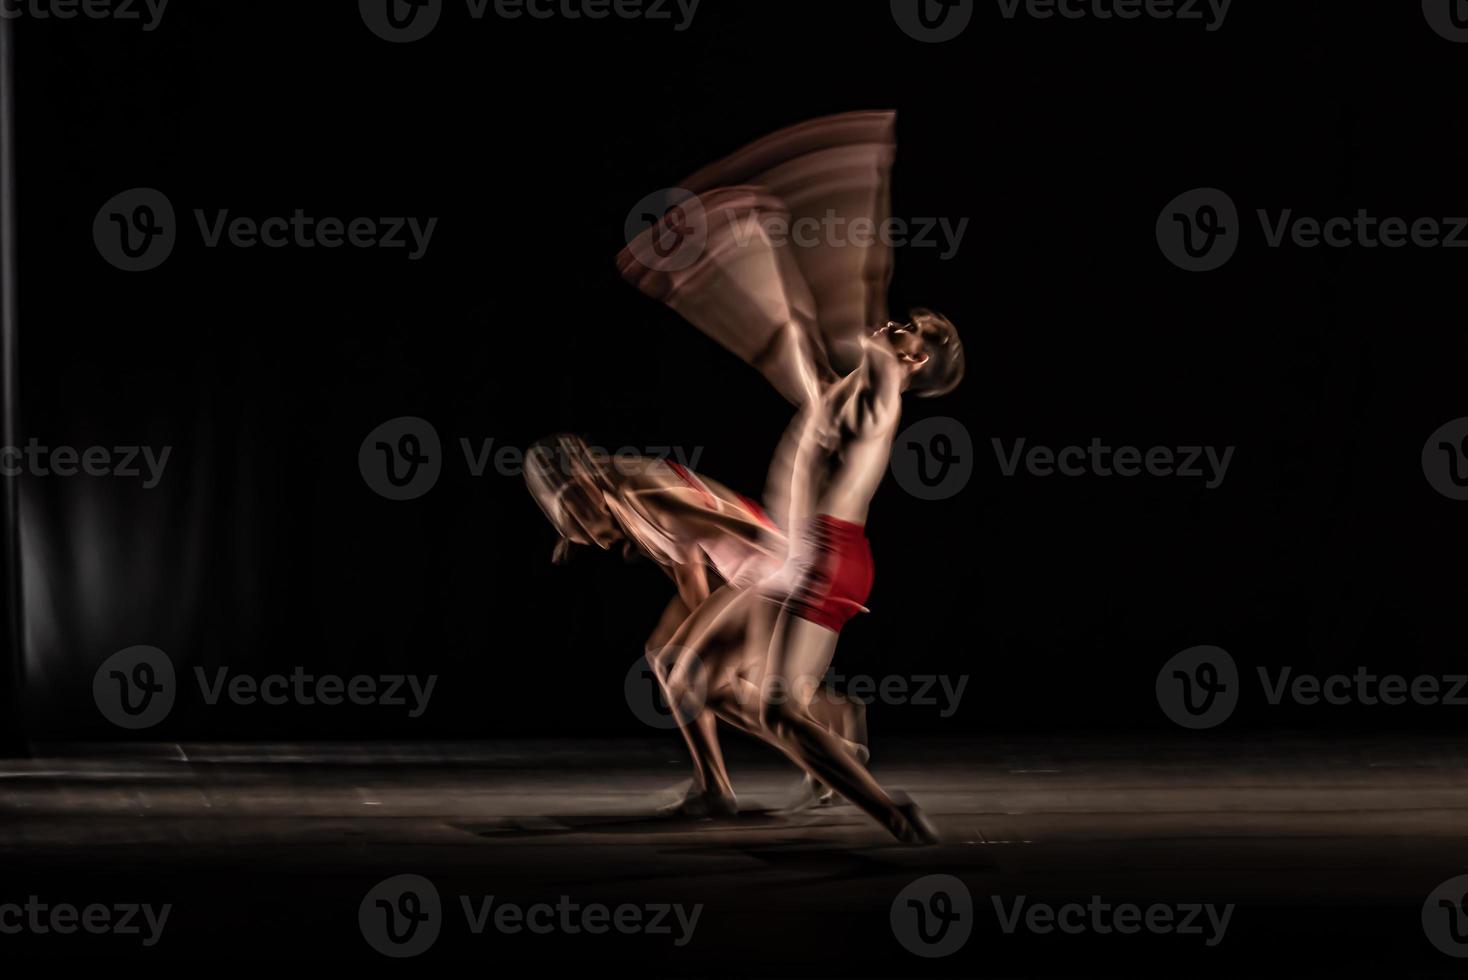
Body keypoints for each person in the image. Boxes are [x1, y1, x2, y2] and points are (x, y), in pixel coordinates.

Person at [618, 111, 966, 843]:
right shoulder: (847, 389)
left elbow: (859, 289)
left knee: (778, 708)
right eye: (901, 323)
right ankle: (760, 775)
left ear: (911, 364)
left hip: (827, 557)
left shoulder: (881, 389)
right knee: (691, 671)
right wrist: (753, 248)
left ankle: (893, 814)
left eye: (908, 331)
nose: (892, 326)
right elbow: (796, 341)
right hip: (798, 554)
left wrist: (856, 193)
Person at [523, 435, 867, 816]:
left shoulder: (644, 494)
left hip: (769, 573)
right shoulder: (623, 494)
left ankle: (817, 755)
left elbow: (755, 536)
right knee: (672, 661)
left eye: (584, 527)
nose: (598, 544)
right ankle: (724, 779)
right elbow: (688, 574)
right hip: (745, 574)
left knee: (688, 672)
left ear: (584, 487)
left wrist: (810, 581)